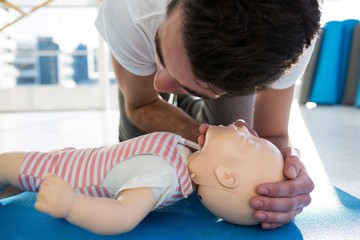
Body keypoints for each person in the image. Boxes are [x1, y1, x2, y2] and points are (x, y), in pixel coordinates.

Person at [95, 0, 321, 229]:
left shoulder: (289, 41)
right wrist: (214, 146)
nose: (159, 83)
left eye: (191, 87)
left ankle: (194, 99)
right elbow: (142, 104)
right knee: (142, 148)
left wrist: (284, 177)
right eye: (160, 52)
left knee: (234, 133)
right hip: (138, 39)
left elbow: (273, 134)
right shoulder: (127, 10)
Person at [0, 120, 284, 235]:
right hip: (75, 156)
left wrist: (72, 204)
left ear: (226, 176)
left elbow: (124, 214)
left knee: (3, 165)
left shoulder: (163, 174)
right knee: (9, 186)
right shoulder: (190, 155)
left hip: (62, 172)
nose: (243, 126)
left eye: (248, 140)